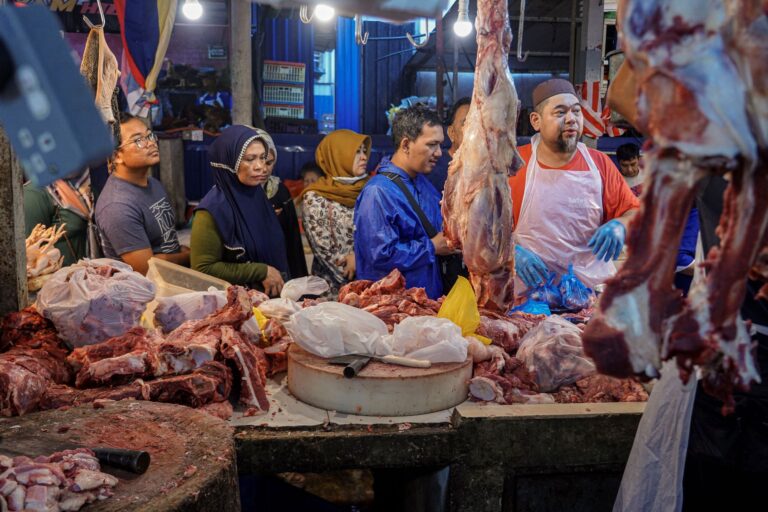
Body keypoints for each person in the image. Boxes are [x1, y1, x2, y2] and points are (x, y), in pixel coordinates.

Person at [508, 78, 640, 290]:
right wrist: (510, 251)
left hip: (588, 293)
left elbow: (634, 212)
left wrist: (620, 226)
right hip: (529, 297)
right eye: (560, 113)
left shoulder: (599, 164)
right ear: (536, 121)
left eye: (576, 111)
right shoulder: (513, 166)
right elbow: (485, 227)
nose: (571, 119)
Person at [354, 105, 456, 300]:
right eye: (431, 145)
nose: (439, 153)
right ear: (406, 144)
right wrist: (432, 247)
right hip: (393, 307)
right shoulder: (378, 192)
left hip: (425, 303)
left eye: (440, 145)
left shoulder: (423, 184)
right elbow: (380, 255)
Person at [190, 125, 288, 296]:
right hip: (238, 305)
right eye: (250, 159)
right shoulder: (212, 211)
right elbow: (203, 268)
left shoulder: (256, 196)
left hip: (268, 300)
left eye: (262, 158)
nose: (260, 166)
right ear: (228, 163)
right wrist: (260, 271)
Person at [95, 113, 189, 275]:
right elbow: (148, 269)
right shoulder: (117, 206)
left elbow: (165, 241)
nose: (151, 143)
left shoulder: (152, 183)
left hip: (174, 277)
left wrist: (180, 252)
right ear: (117, 156)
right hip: (149, 293)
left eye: (150, 135)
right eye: (138, 140)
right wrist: (189, 256)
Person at [301, 129, 371, 296]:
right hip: (331, 293)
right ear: (338, 155)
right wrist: (357, 270)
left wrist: (360, 260)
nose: (364, 157)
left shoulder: (371, 189)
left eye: (364, 151)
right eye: (356, 152)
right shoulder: (315, 197)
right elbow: (325, 251)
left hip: (369, 285)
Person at [252, 128, 308, 280]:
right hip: (248, 276)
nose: (263, 168)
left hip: (280, 272)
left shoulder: (279, 191)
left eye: (269, 162)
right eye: (254, 160)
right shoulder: (230, 196)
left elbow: (293, 242)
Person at [24, 170, 96, 266]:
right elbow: (29, 258)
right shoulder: (35, 195)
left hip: (98, 274)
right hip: (60, 277)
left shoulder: (92, 177)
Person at [426, 97, 471, 193]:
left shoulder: (486, 168)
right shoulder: (435, 170)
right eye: (466, 123)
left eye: (477, 124)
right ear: (451, 133)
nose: (473, 130)